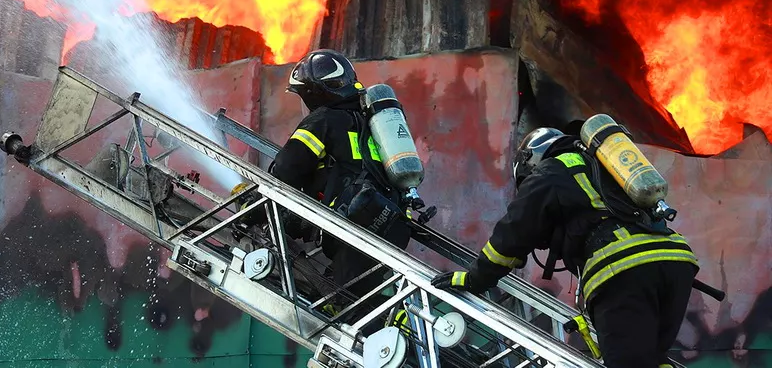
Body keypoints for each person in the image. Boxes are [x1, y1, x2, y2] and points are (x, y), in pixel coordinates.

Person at [431, 126, 699, 368]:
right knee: (651, 359)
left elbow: (513, 233)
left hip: (623, 267)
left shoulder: (550, 171)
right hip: (675, 260)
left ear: (530, 161)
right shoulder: (602, 166)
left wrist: (475, 279)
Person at [270, 48, 412, 309]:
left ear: (314, 93)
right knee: (354, 298)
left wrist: (255, 206)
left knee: (345, 308)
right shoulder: (369, 120)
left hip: (358, 223)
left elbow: (287, 167)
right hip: (393, 220)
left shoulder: (323, 119)